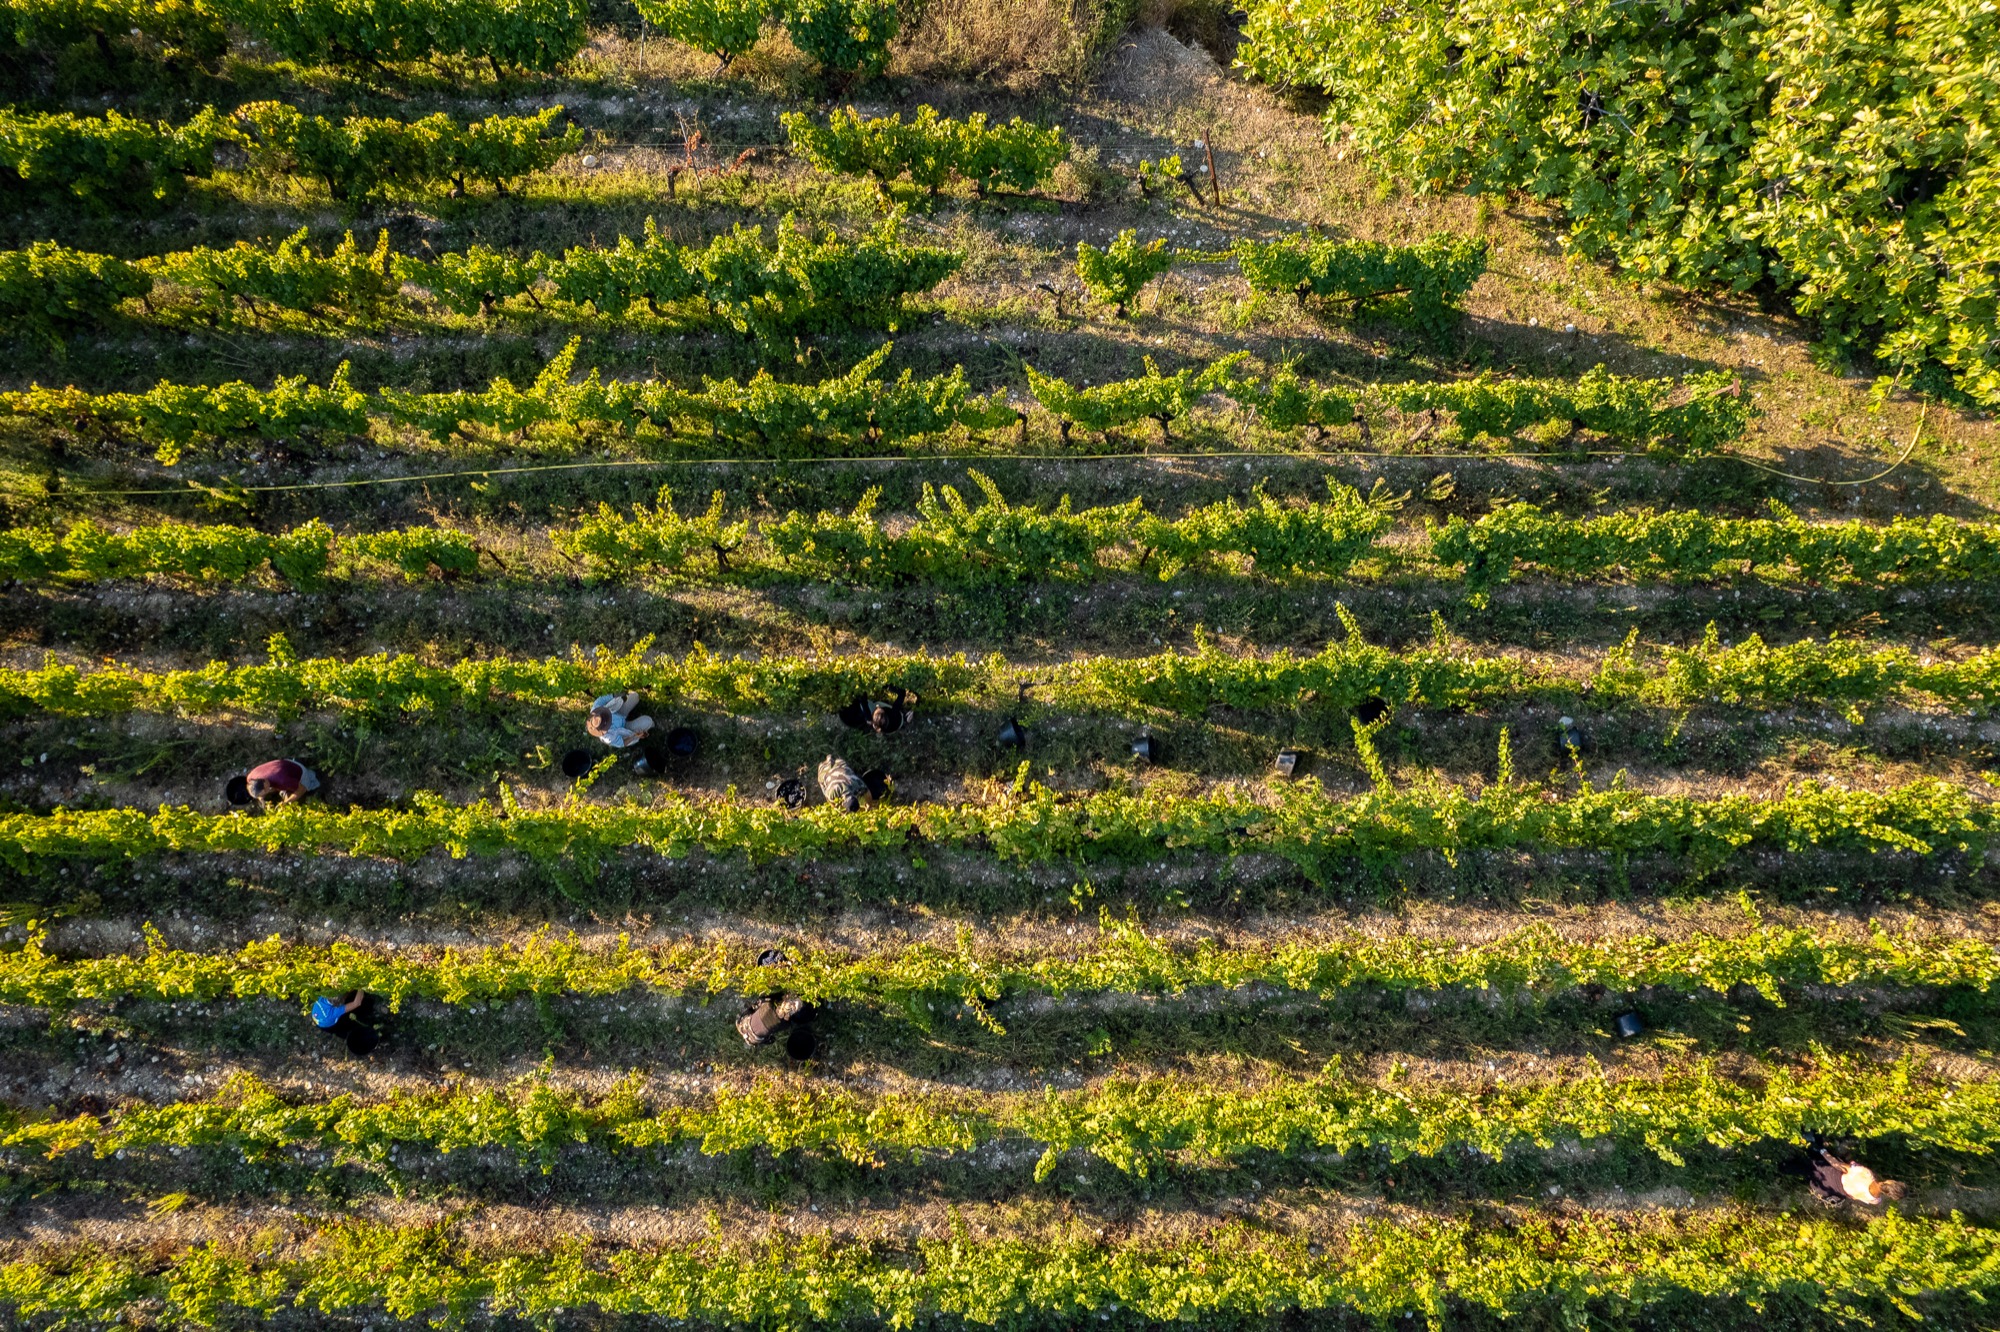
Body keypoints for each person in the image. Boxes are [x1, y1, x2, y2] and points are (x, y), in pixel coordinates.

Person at [1802, 1137, 1907, 1206]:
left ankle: (1809, 1141)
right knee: (1803, 1171)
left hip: (1829, 1174)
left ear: (1891, 1182)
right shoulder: (1875, 1200)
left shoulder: (1867, 1175)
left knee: (1812, 1160)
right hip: (1828, 1189)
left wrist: (1822, 1150)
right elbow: (1853, 1196)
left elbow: (1838, 1165)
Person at [310, 990, 379, 1056]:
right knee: (349, 1028)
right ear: (338, 1005)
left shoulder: (324, 996)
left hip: (319, 1019)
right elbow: (357, 1003)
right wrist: (360, 986)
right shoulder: (334, 1012)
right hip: (328, 1024)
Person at [587, 691, 655, 749]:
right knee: (648, 721)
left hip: (618, 713)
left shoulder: (595, 710)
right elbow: (623, 743)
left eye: (604, 715)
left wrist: (614, 695)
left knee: (635, 696)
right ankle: (651, 725)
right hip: (624, 728)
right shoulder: (609, 737)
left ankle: (628, 714)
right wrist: (634, 736)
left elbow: (601, 700)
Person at [837, 687, 917, 736]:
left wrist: (862, 692)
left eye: (877, 709)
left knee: (864, 705)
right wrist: (889, 687)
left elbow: (862, 696)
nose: (878, 706)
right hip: (899, 721)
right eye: (878, 708)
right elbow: (902, 693)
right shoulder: (894, 713)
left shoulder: (868, 716)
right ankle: (905, 720)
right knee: (865, 706)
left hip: (849, 717)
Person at [240, 759, 319, 805]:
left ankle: (313, 775)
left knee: (310, 784)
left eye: (264, 793)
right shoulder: (250, 778)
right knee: (284, 790)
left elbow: (301, 789)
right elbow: (258, 790)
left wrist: (286, 802)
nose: (265, 794)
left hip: (298, 770)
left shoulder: (282, 781)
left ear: (265, 785)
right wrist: (262, 799)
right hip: (284, 764)